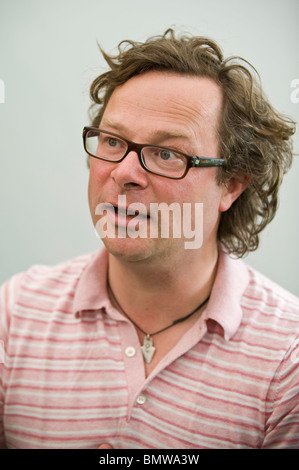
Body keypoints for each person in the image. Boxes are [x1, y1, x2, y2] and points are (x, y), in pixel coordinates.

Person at [0, 29, 298, 450]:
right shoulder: (15, 314)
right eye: (113, 141)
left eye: (167, 154)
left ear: (231, 185)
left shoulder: (288, 361)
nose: (123, 172)